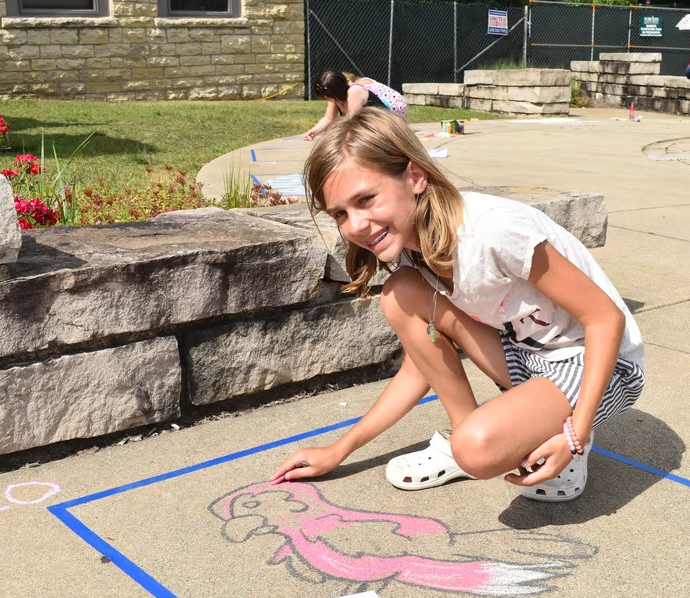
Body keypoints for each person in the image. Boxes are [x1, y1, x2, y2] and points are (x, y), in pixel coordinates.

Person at [271, 108, 645, 503]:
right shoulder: (416, 248)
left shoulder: (494, 231)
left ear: (415, 177)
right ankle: (473, 432)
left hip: (598, 363)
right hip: (528, 358)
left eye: (366, 199)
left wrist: (577, 434)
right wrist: (338, 451)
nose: (356, 225)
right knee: (400, 294)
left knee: (479, 448)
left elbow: (605, 317)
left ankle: (545, 433)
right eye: (341, 214)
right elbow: (420, 369)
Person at [303, 70, 407, 141]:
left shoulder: (354, 91)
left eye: (328, 96)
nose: (328, 99)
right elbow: (328, 118)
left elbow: (351, 121)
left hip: (385, 128)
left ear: (338, 89)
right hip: (370, 129)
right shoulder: (335, 96)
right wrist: (314, 131)